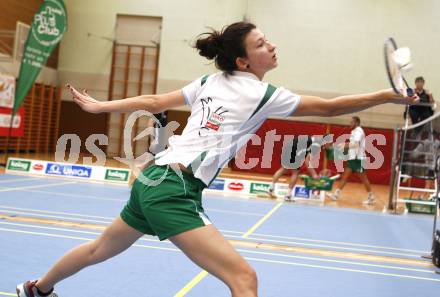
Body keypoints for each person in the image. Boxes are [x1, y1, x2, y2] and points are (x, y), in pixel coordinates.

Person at [16, 22, 417, 297]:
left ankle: (38, 289)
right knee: (244, 278)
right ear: (243, 62)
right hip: (174, 189)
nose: (271, 46)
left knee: (97, 250)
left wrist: (102, 105)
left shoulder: (210, 81)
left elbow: (155, 101)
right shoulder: (262, 94)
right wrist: (386, 95)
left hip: (153, 181)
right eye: (261, 44)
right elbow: (329, 108)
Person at [329, 116, 375, 205]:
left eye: (352, 122)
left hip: (358, 159)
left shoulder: (358, 131)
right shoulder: (354, 131)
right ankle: (335, 195)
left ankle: (371, 197)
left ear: (357, 123)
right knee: (344, 177)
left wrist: (342, 145)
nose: (350, 123)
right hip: (352, 158)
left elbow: (356, 144)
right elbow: (351, 145)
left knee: (364, 179)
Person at [268, 135, 321, 201]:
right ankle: (288, 195)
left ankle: (270, 188)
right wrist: (314, 174)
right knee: (295, 172)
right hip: (294, 150)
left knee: (283, 169)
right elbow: (307, 160)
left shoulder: (311, 139)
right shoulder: (315, 144)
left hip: (288, 148)